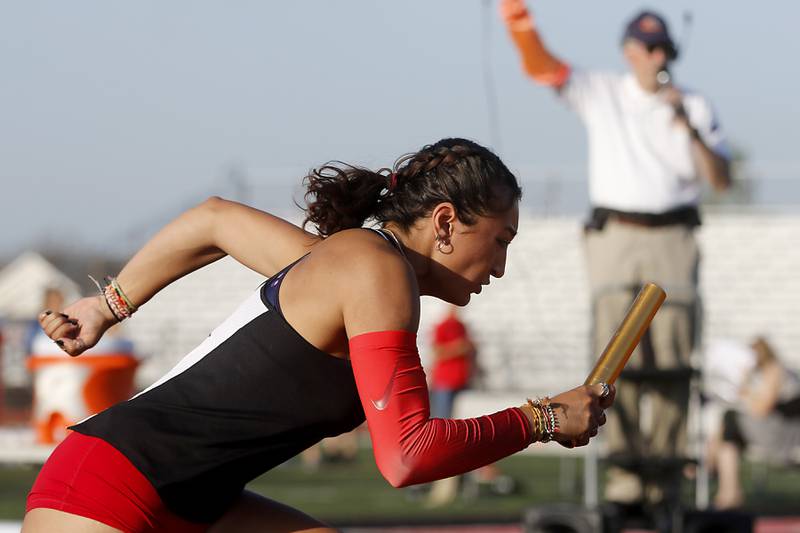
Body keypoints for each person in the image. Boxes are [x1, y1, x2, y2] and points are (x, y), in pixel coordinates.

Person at [24, 137, 615, 533]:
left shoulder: (347, 264)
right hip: (106, 491)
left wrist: (110, 305)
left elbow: (215, 220)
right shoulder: (374, 269)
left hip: (182, 496)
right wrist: (540, 420)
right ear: (445, 222)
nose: (501, 266)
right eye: (501, 240)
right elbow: (406, 457)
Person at [500, 0, 732, 511]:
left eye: (661, 48)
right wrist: (517, 18)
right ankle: (625, 479)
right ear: (629, 52)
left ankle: (665, 480)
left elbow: (720, 178)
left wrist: (685, 124)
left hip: (673, 234)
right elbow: (543, 67)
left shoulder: (692, 104)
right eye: (645, 47)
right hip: (616, 233)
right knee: (614, 358)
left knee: (672, 360)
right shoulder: (601, 90)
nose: (654, 56)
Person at [708, 337, 800, 509]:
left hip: (781, 435)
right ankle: (728, 491)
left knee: (730, 420)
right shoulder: (762, 373)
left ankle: (712, 469)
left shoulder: (774, 370)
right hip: (768, 430)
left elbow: (762, 409)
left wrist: (744, 387)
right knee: (728, 433)